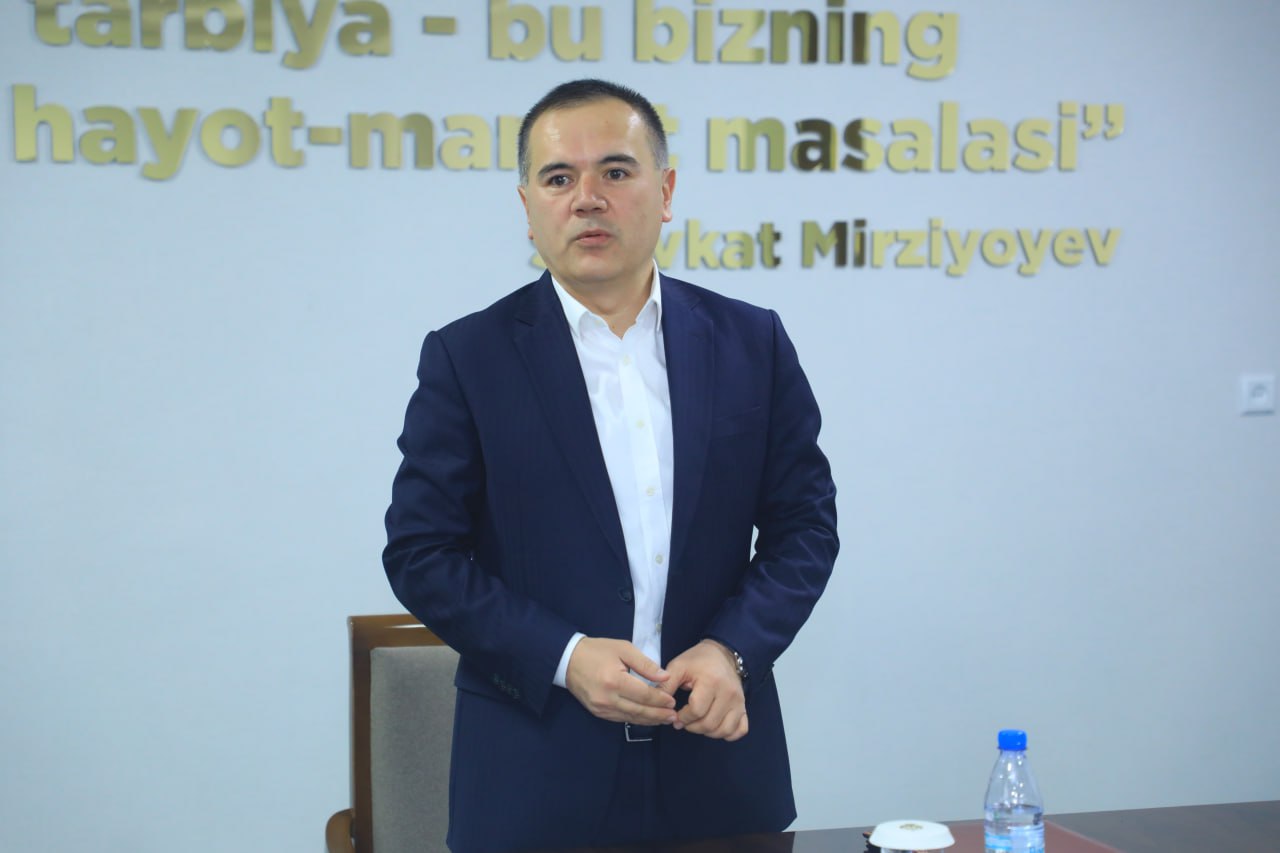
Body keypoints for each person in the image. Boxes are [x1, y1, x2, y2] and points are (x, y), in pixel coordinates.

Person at [383, 78, 838, 852]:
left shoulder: (751, 343)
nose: (587, 198)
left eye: (616, 171)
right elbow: (422, 554)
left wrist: (731, 649)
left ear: (665, 191)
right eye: (559, 177)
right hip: (533, 780)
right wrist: (565, 657)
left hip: (719, 773)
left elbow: (805, 528)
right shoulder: (468, 357)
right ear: (528, 204)